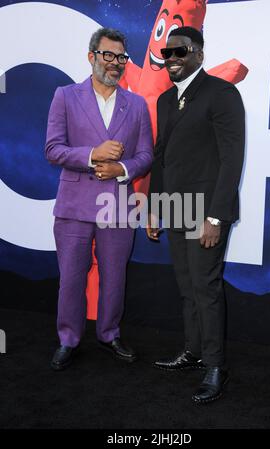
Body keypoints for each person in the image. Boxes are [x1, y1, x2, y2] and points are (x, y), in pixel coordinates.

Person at [147, 26, 245, 404]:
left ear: (198, 55)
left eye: (180, 52)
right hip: (174, 208)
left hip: (205, 212)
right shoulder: (165, 100)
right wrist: (155, 207)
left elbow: (231, 159)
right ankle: (192, 352)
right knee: (187, 289)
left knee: (206, 290)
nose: (172, 59)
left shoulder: (222, 93)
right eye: (167, 53)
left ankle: (216, 366)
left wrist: (216, 218)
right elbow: (160, 156)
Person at [46, 28, 153, 370]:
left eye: (121, 57)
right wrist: (93, 155)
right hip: (74, 206)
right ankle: (68, 339)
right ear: (91, 57)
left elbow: (146, 155)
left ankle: (109, 334)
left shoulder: (136, 104)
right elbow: (53, 149)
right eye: (108, 55)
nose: (115, 63)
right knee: (72, 277)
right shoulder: (65, 96)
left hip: (118, 206)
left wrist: (120, 167)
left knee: (114, 275)